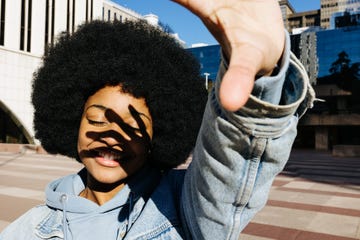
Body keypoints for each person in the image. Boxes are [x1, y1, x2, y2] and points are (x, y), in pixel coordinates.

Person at [0, 0, 315, 239]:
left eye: (133, 125)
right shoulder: (26, 229)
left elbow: (228, 168)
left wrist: (264, 74)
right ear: (73, 122)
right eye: (97, 118)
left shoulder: (184, 207)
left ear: (159, 135)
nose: (112, 134)